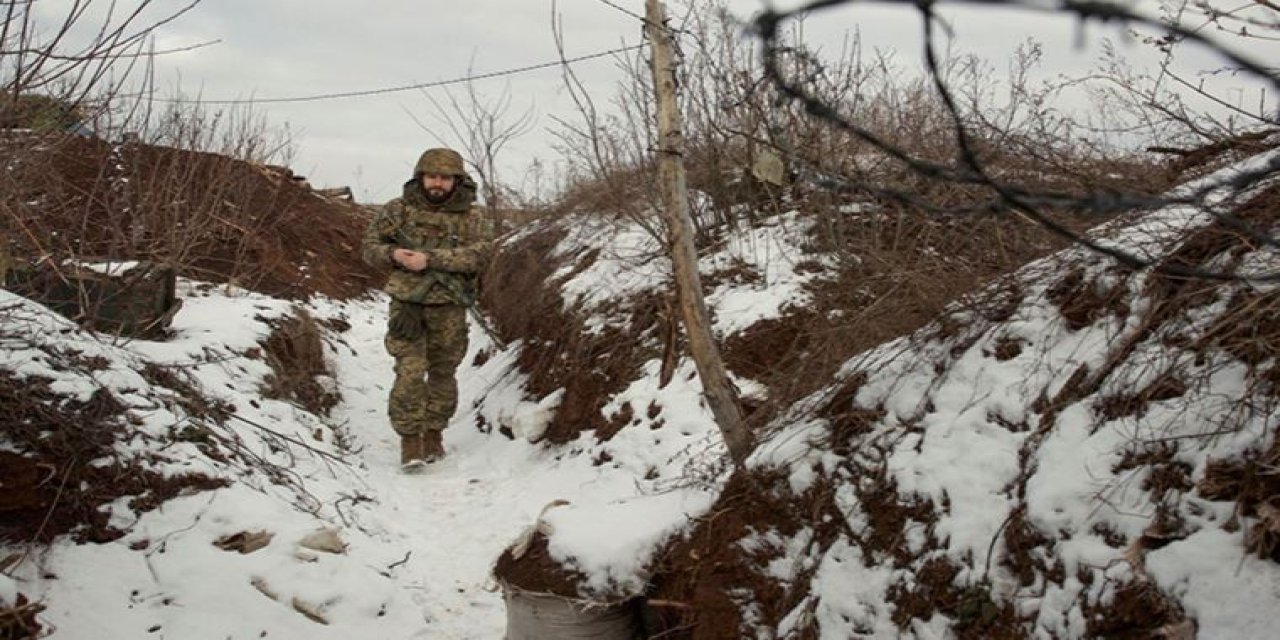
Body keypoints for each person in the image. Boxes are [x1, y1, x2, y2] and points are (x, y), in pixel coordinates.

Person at [361, 148, 495, 471]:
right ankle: (410, 441)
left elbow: (482, 254)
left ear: (456, 180)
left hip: (449, 307)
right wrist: (394, 255)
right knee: (408, 371)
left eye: (445, 177)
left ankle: (433, 434)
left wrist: (431, 260)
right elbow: (369, 248)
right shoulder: (398, 211)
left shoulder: (474, 217)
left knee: (442, 372)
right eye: (431, 176)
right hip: (407, 306)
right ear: (420, 177)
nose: (437, 183)